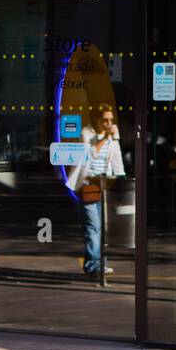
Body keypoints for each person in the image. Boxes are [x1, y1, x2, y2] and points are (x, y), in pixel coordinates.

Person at [66, 105, 124, 280]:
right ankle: (94, 266)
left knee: (101, 228)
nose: (108, 123)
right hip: (87, 185)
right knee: (93, 227)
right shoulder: (86, 133)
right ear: (97, 120)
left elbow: (117, 155)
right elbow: (89, 155)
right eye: (105, 120)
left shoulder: (112, 134)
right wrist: (106, 138)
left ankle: (97, 264)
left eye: (110, 120)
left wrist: (121, 175)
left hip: (103, 186)